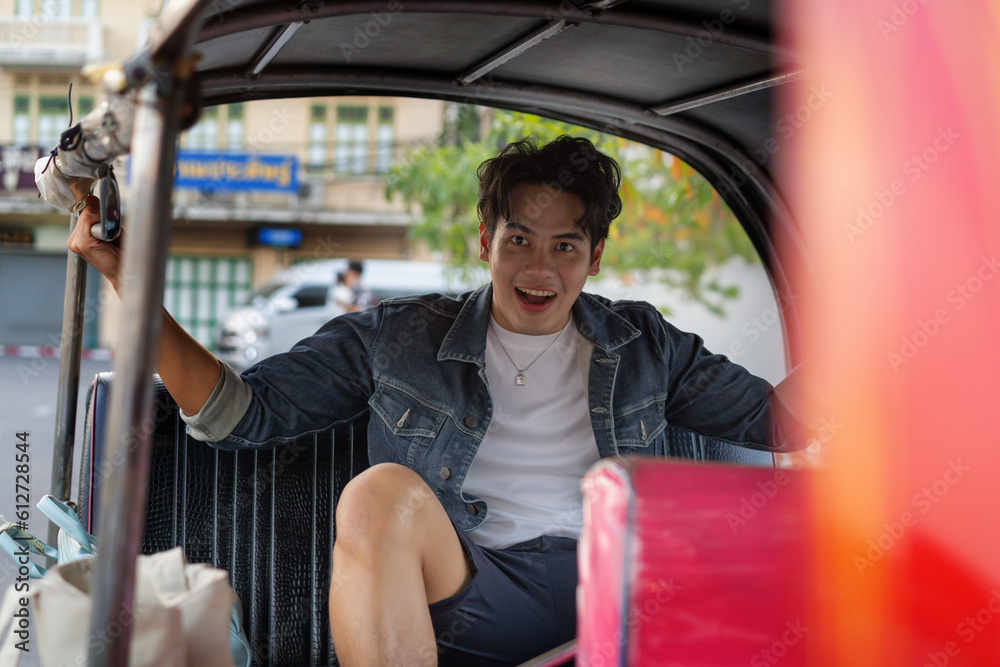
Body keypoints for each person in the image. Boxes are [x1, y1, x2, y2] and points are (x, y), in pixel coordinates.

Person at [68, 136, 814, 666]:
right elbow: (239, 415)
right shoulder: (398, 338)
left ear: (596, 256)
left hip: (625, 588)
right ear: (485, 238)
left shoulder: (645, 342)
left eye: (565, 245)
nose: (540, 267)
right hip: (477, 591)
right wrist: (122, 273)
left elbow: (787, 423)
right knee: (376, 494)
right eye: (520, 239)